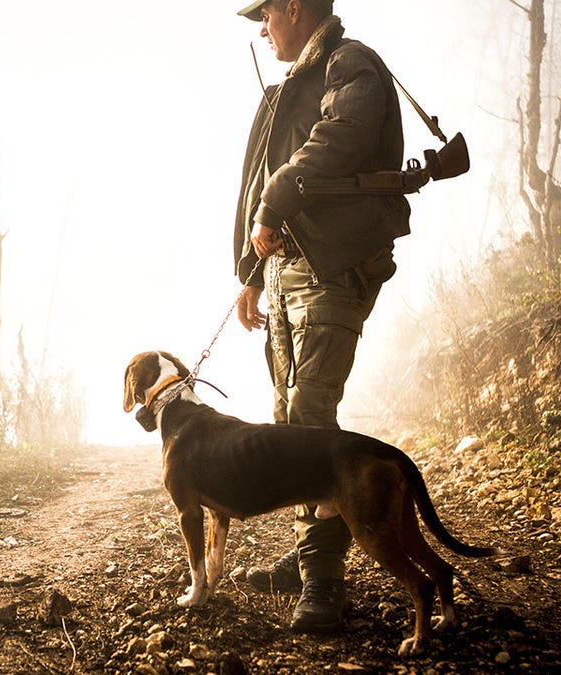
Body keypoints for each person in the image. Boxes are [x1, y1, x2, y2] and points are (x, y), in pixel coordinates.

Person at [232, 0, 411, 633]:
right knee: (288, 418)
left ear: (296, 8)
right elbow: (263, 189)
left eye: (267, 15)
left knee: (309, 416)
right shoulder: (299, 82)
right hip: (287, 273)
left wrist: (275, 202)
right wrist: (251, 275)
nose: (262, 29)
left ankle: (322, 581)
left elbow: (339, 140)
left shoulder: (349, 63)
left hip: (335, 269)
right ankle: (312, 547)